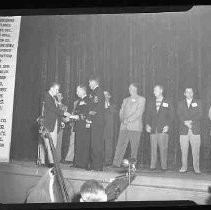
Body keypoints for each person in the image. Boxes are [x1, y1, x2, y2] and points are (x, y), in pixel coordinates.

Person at [112, 83, 145, 168]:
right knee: (120, 145)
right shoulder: (125, 100)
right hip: (124, 126)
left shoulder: (141, 99)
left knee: (134, 148)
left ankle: (132, 165)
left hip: (135, 127)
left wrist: (128, 120)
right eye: (129, 88)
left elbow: (138, 112)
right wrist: (123, 120)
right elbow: (121, 111)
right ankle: (116, 163)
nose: (130, 89)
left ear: (136, 89)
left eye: (132, 88)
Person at [42, 82, 72, 167]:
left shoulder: (53, 98)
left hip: (54, 124)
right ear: (51, 88)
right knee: (49, 144)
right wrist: (64, 113)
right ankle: (51, 164)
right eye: (57, 89)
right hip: (48, 125)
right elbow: (53, 109)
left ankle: (52, 162)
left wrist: (62, 120)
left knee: (53, 144)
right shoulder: (47, 96)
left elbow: (56, 111)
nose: (58, 91)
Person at [145, 85, 174, 171]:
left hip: (163, 129)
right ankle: (152, 166)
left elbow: (172, 116)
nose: (154, 92)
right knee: (153, 148)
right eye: (153, 90)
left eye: (155, 90)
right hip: (153, 129)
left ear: (161, 90)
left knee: (163, 149)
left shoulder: (168, 101)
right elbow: (147, 115)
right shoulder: (151, 102)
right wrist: (147, 125)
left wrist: (168, 125)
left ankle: (164, 166)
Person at [177, 87, 202, 174]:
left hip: (195, 129)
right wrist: (185, 122)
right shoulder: (180, 103)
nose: (189, 93)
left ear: (193, 93)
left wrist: (191, 122)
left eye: (191, 92)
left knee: (196, 151)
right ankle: (184, 167)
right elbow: (179, 114)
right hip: (183, 130)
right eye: (187, 92)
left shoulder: (198, 102)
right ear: (184, 94)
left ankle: (197, 168)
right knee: (184, 150)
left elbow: (200, 114)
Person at [88, 75, 105, 171]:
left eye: (90, 82)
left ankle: (97, 167)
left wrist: (89, 117)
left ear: (94, 82)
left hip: (97, 122)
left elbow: (96, 107)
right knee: (94, 144)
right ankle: (95, 165)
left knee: (96, 144)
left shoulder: (98, 92)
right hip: (95, 121)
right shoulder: (94, 92)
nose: (89, 84)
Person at [73, 84, 91, 170]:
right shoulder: (79, 101)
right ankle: (77, 162)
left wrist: (79, 117)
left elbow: (88, 113)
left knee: (84, 144)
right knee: (78, 143)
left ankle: (83, 163)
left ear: (83, 91)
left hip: (85, 125)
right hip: (79, 125)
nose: (76, 92)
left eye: (78, 90)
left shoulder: (88, 100)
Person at [103, 90, 116, 166]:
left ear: (109, 96)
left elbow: (113, 111)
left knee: (108, 145)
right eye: (103, 95)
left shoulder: (113, 105)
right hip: (101, 128)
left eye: (106, 95)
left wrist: (107, 103)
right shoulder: (99, 105)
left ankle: (108, 161)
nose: (105, 96)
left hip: (108, 129)